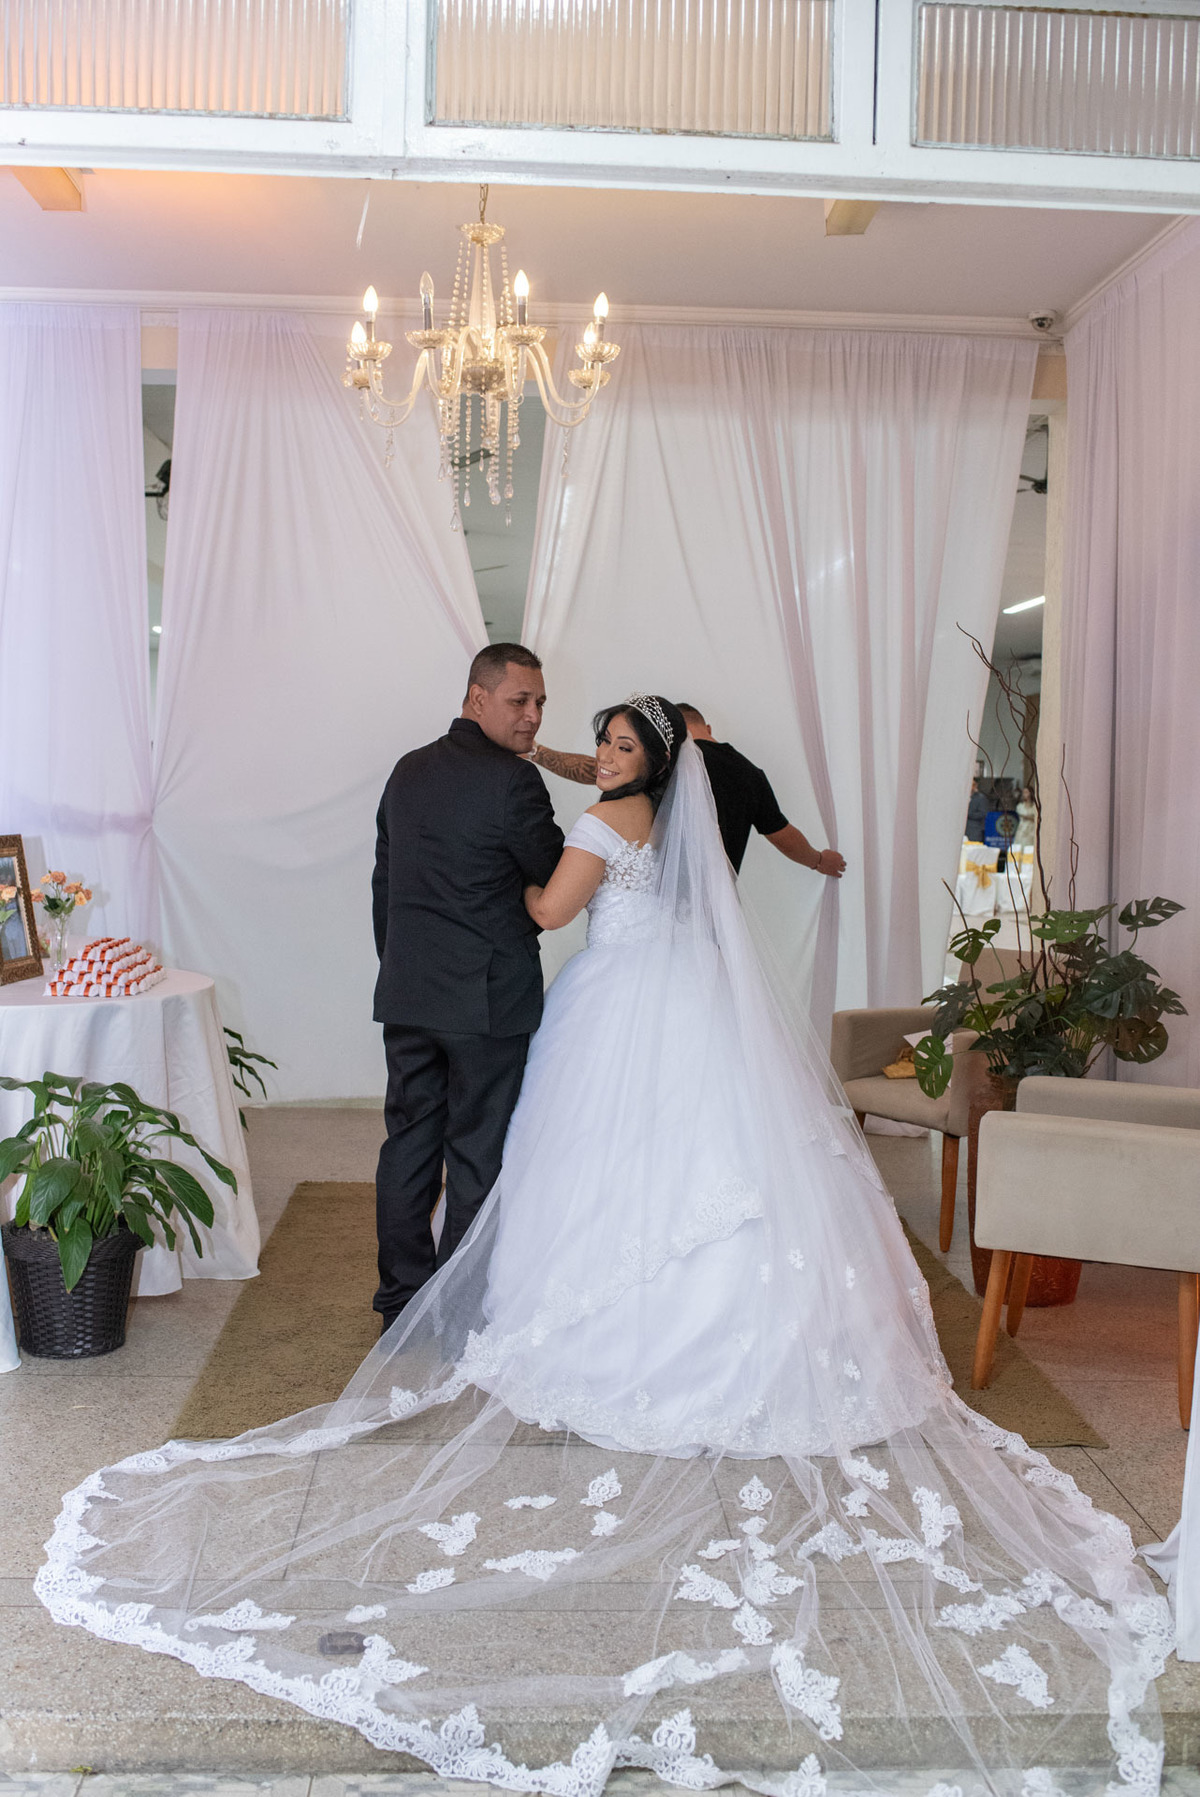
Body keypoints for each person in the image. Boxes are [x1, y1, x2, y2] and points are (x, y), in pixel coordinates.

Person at [37, 694, 1164, 1794]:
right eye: (598, 739)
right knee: (709, 1168)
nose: (599, 751)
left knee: (590, 1166)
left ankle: (601, 1331)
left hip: (615, 1004)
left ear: (644, 753)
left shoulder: (595, 823)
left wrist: (511, 873)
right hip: (686, 1004)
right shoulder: (681, 819)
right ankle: (746, 1333)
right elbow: (663, 851)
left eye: (616, 741)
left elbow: (544, 915)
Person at [370, 642, 563, 1332]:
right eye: (520, 700)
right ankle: (454, 1310)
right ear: (477, 697)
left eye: (540, 702)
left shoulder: (407, 771)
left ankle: (399, 1301)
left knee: (408, 1142)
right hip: (486, 1001)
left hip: (410, 992)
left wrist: (399, 967)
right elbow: (551, 872)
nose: (534, 715)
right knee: (476, 1153)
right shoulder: (514, 784)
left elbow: (384, 887)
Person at [531, 702, 845, 880]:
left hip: (654, 908)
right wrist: (818, 860)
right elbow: (782, 834)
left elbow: (597, 770)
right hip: (712, 913)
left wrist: (536, 752)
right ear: (707, 728)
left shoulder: (664, 764)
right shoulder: (749, 774)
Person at [965, 775, 990, 841]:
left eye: (972, 784)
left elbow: (983, 813)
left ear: (975, 786)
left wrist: (969, 814)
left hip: (974, 830)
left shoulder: (981, 798)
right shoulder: (963, 797)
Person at [1015, 783, 1037, 848]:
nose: (1024, 794)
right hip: (1022, 830)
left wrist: (1028, 817)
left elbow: (1035, 818)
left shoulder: (1034, 806)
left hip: (1031, 830)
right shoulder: (1020, 806)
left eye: (1026, 792)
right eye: (1023, 792)